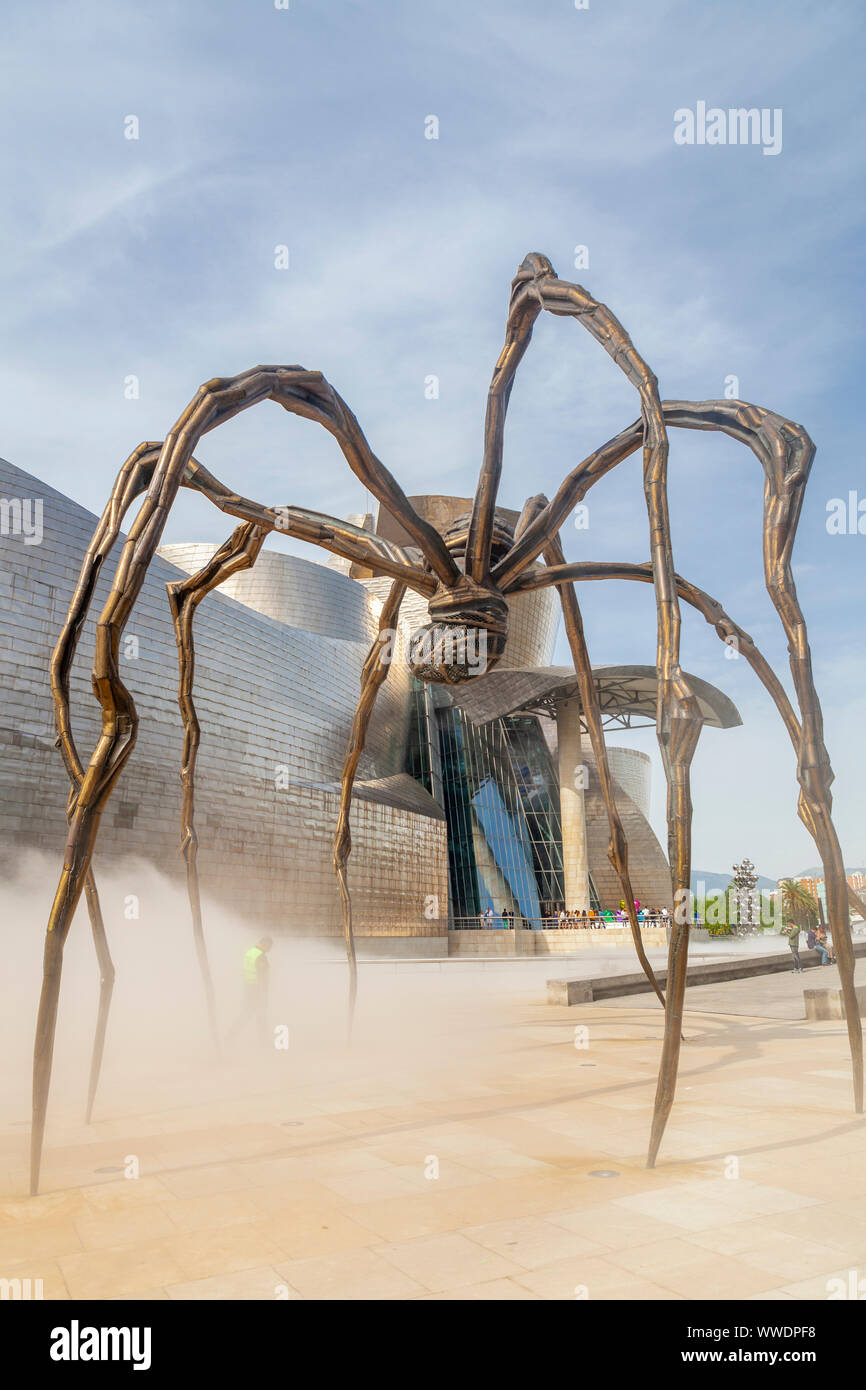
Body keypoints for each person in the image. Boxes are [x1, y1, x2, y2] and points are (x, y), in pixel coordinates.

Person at [228, 936, 273, 1043]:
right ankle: (263, 1042)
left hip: (248, 988)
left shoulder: (250, 952)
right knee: (260, 1015)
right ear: (265, 945)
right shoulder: (261, 957)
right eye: (269, 947)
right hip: (257, 990)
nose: (270, 950)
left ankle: (230, 1036)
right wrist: (264, 993)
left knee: (246, 1014)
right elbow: (262, 976)